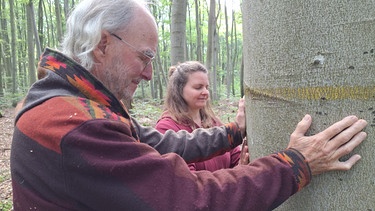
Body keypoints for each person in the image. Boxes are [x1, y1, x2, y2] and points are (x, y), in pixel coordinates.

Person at [10, 0, 367, 210]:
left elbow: (161, 144)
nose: (150, 73)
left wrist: (233, 132)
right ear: (103, 45)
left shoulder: (72, 102)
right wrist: (296, 164)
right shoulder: (74, 123)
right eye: (145, 56)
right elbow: (191, 199)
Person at [156, 61, 249, 171]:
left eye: (206, 87)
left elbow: (235, 155)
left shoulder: (213, 122)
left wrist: (242, 164)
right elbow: (189, 181)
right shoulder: (166, 129)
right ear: (179, 90)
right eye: (198, 87)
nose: (205, 92)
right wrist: (239, 172)